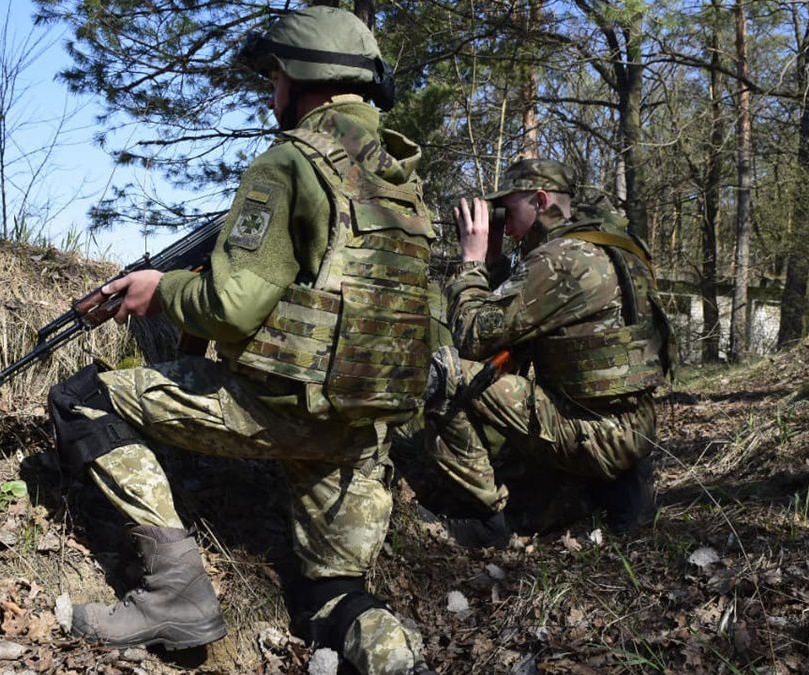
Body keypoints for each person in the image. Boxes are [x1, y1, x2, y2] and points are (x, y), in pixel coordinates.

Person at [45, 7, 436, 674]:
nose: (270, 90)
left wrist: (157, 291)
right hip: (361, 431)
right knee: (333, 594)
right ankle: (395, 659)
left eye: (276, 74)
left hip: (281, 410)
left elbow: (229, 305)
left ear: (305, 77)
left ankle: (175, 593)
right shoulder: (400, 179)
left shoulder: (290, 161)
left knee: (84, 397)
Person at [419, 158, 673, 548]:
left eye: (510, 206)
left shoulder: (559, 260)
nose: (502, 217)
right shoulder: (615, 244)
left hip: (592, 434)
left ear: (539, 200)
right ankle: (604, 490)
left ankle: (489, 521)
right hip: (635, 431)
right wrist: (496, 262)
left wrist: (471, 262)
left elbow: (471, 336)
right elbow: (518, 325)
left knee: (447, 373)